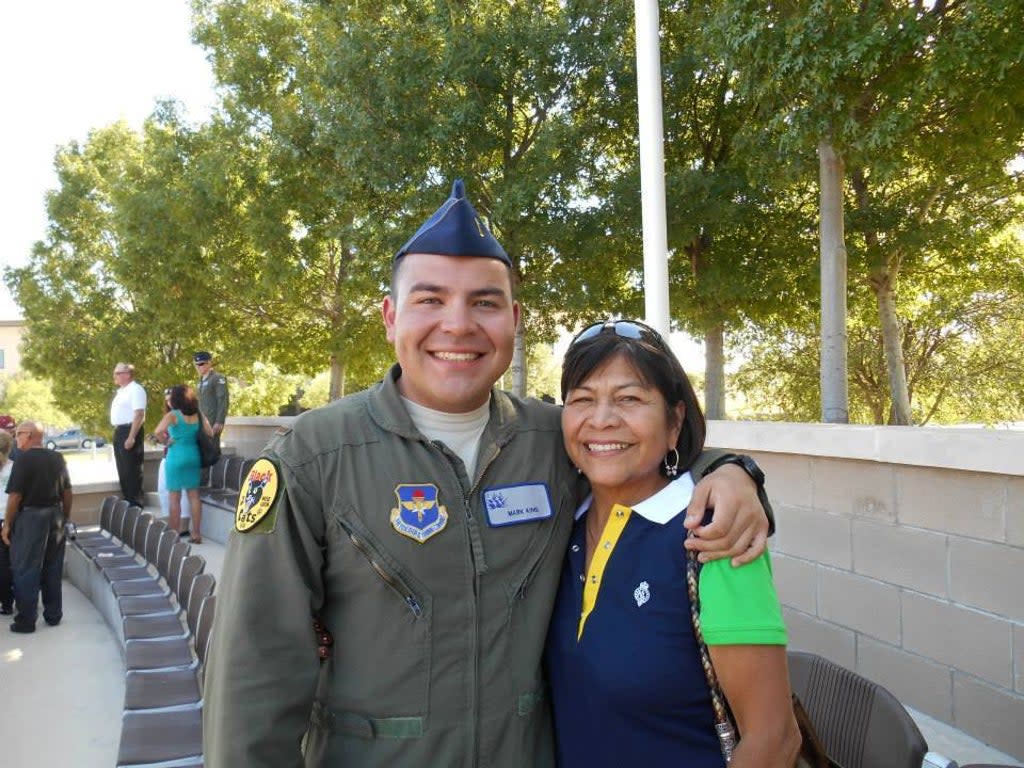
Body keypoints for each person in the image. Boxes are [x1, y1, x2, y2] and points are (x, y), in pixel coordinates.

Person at [204, 180, 772, 767]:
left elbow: (646, 449)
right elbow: (255, 670)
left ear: (514, 320)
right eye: (429, 300)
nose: (458, 325)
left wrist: (733, 472)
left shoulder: (554, 441)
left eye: (484, 302)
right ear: (390, 316)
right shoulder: (311, 458)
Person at [546, 320, 799, 767]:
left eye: (630, 399)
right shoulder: (558, 524)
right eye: (582, 400)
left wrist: (736, 472)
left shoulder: (715, 536)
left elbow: (774, 741)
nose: (602, 419)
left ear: (674, 420)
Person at [1, 420, 73, 633]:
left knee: (26, 569)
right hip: (55, 516)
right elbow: (68, 492)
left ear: (30, 435)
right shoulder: (57, 457)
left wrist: (7, 524)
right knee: (53, 566)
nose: (16, 439)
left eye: (19, 434)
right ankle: (53, 615)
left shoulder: (23, 460)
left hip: (30, 517)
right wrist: (65, 517)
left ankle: (26, 620)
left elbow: (15, 496)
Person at [155, 385, 211, 544]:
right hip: (193, 455)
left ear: (175, 398)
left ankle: (174, 535)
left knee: (174, 497)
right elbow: (210, 432)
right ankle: (196, 534)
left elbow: (158, 431)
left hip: (176, 456)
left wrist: (167, 442)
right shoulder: (198, 414)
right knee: (194, 496)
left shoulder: (173, 415)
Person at [110, 362, 147, 508]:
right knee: (123, 470)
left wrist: (131, 437)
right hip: (120, 431)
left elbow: (139, 414)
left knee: (132, 470)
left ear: (127, 374)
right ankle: (128, 503)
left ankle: (135, 506)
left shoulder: (136, 390)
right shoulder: (122, 391)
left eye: (117, 373)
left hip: (130, 430)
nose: (115, 376)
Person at [194, 351, 229, 445]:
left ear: (209, 363)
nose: (198, 367)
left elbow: (222, 400)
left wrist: (219, 421)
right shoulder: (200, 381)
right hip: (200, 422)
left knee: (211, 450)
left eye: (201, 364)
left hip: (212, 421)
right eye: (196, 365)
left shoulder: (217, 378)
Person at [0, 431, 15, 614]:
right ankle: (12, 601)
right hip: (11, 519)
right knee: (12, 562)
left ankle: (5, 603)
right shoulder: (16, 468)